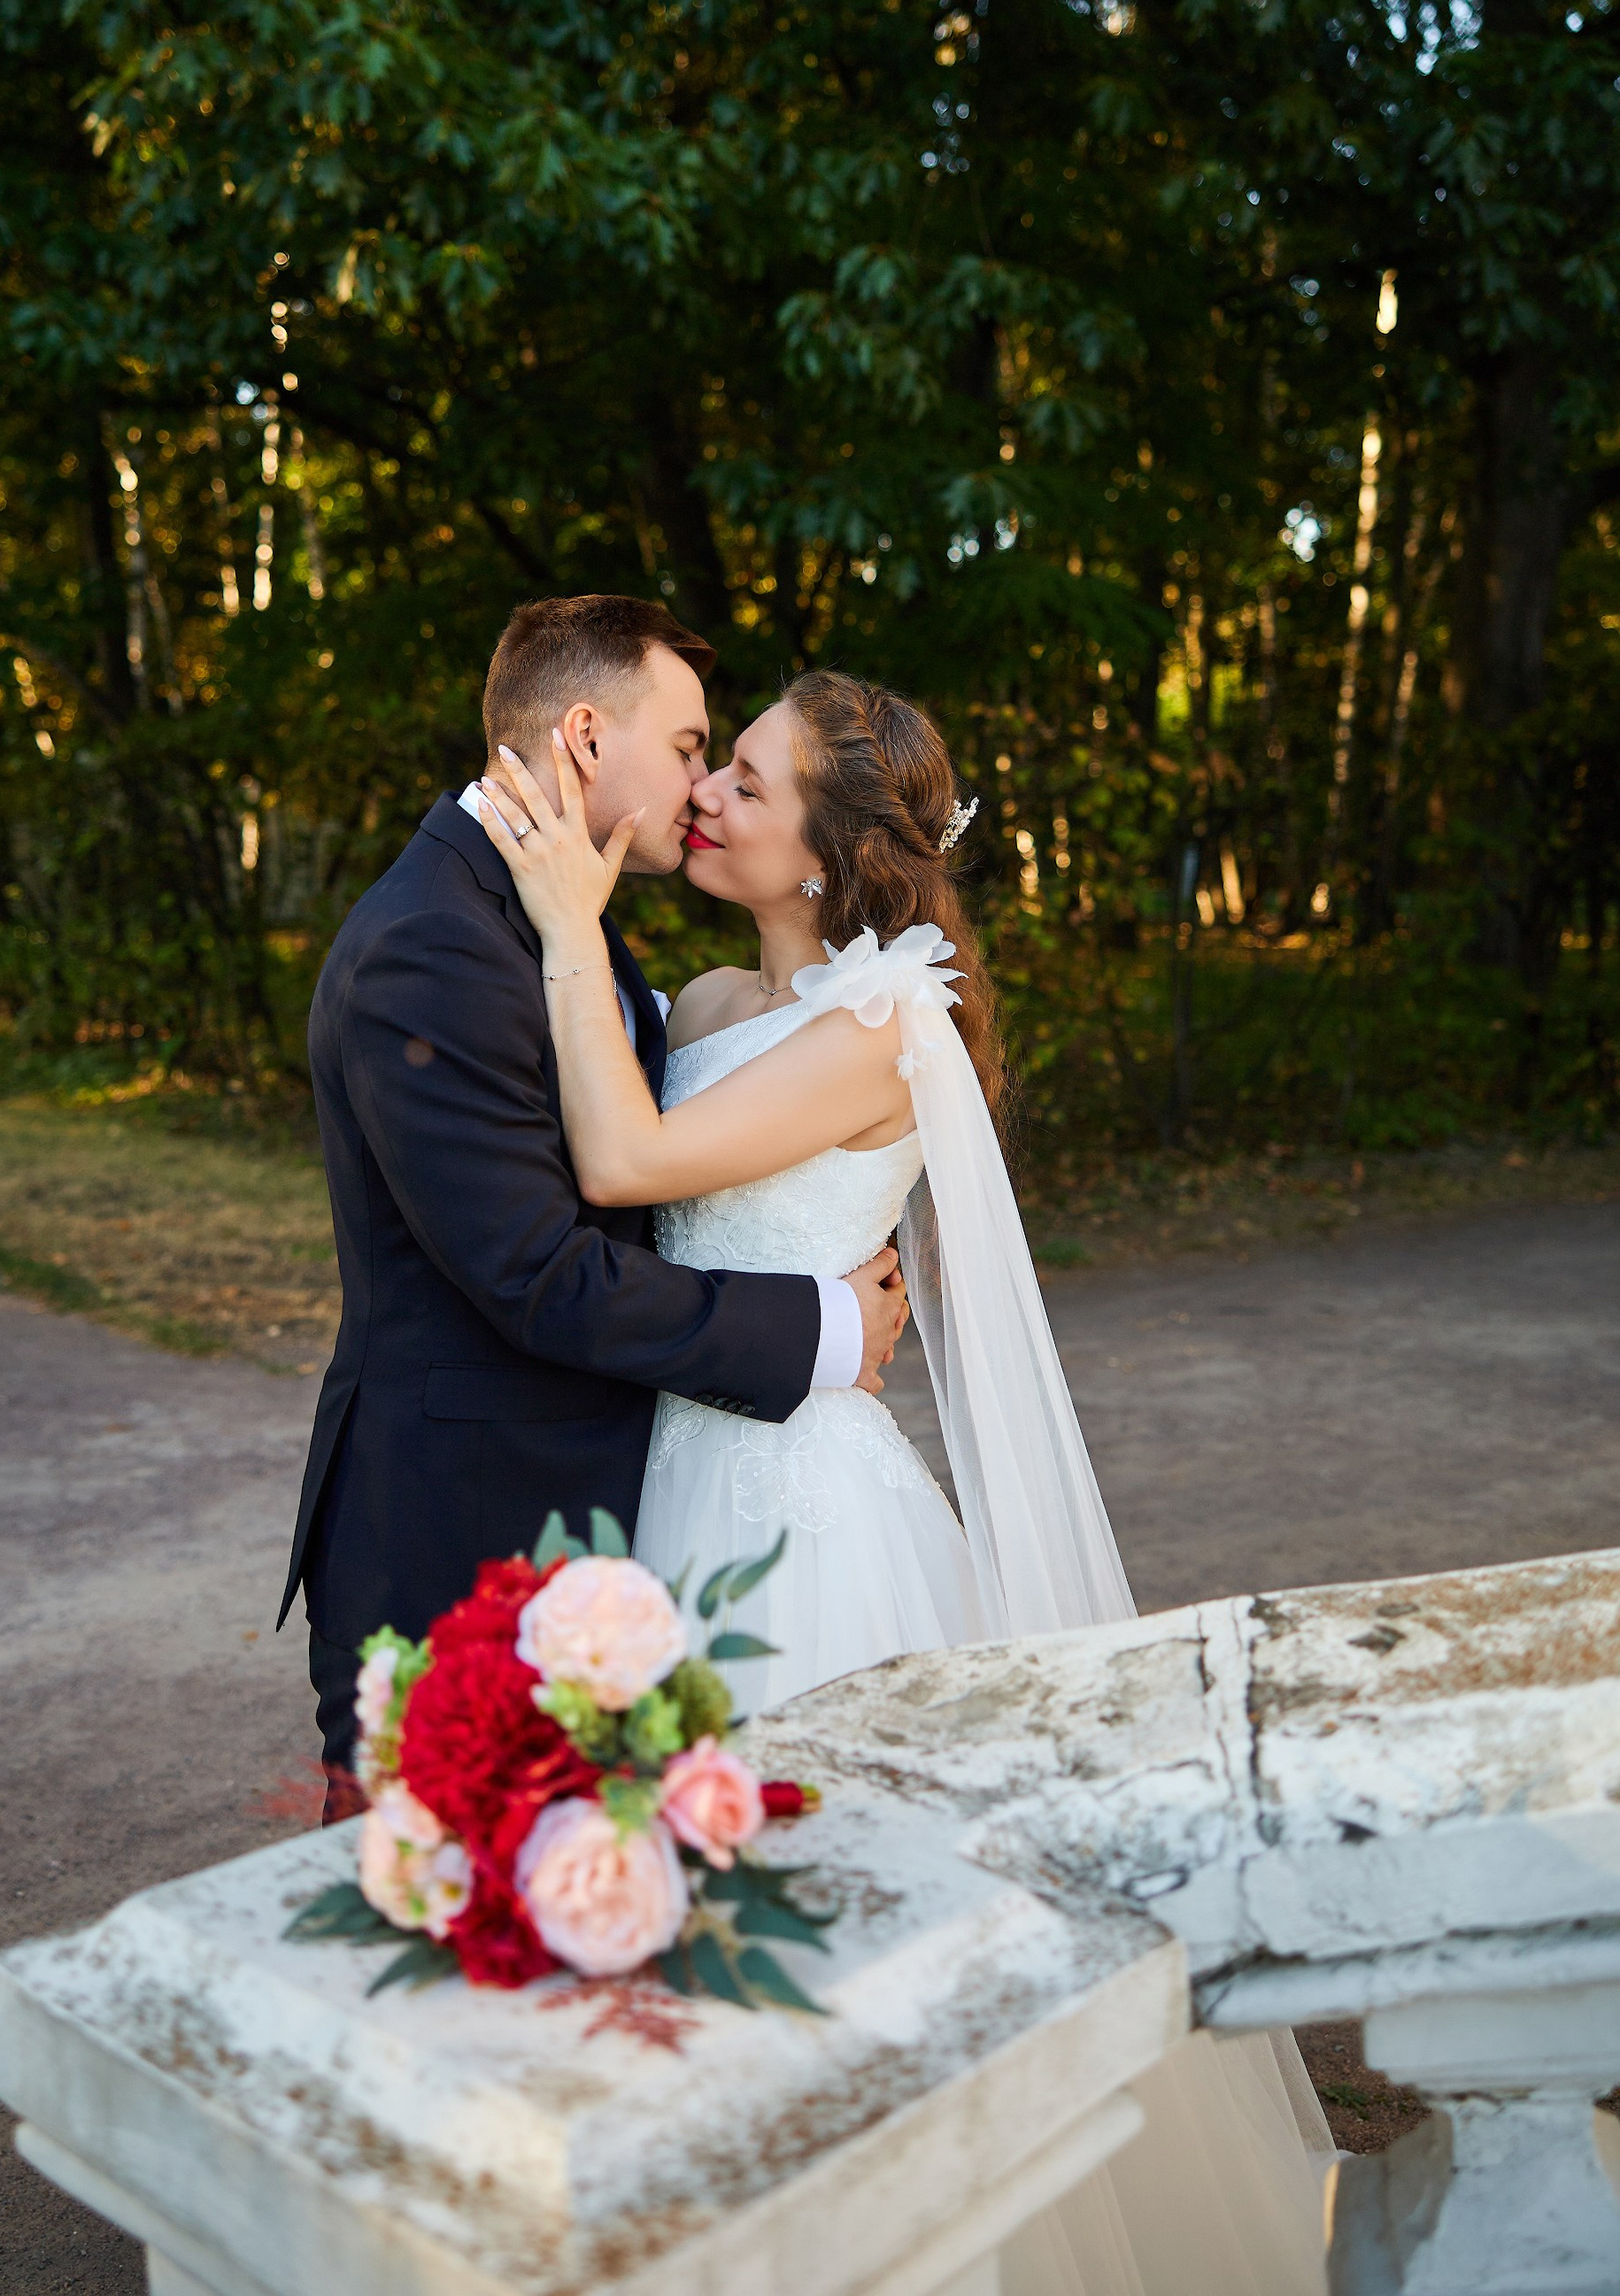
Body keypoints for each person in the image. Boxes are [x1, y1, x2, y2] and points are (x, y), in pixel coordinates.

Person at [469, 664, 1336, 2296]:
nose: (705, 795)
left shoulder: (885, 1022)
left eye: (744, 778)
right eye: (709, 765)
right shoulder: (714, 1000)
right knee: (672, 1913)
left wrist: (569, 922)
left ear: (824, 852)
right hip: (670, 1476)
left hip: (805, 1509)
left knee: (833, 1922)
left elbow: (628, 1165)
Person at [280, 597, 910, 1808]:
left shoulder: (561, 919)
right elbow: (540, 1274)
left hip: (619, 1518)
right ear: (584, 736)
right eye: (686, 749)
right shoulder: (438, 950)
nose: (700, 784)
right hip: (461, 1544)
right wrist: (822, 1326)